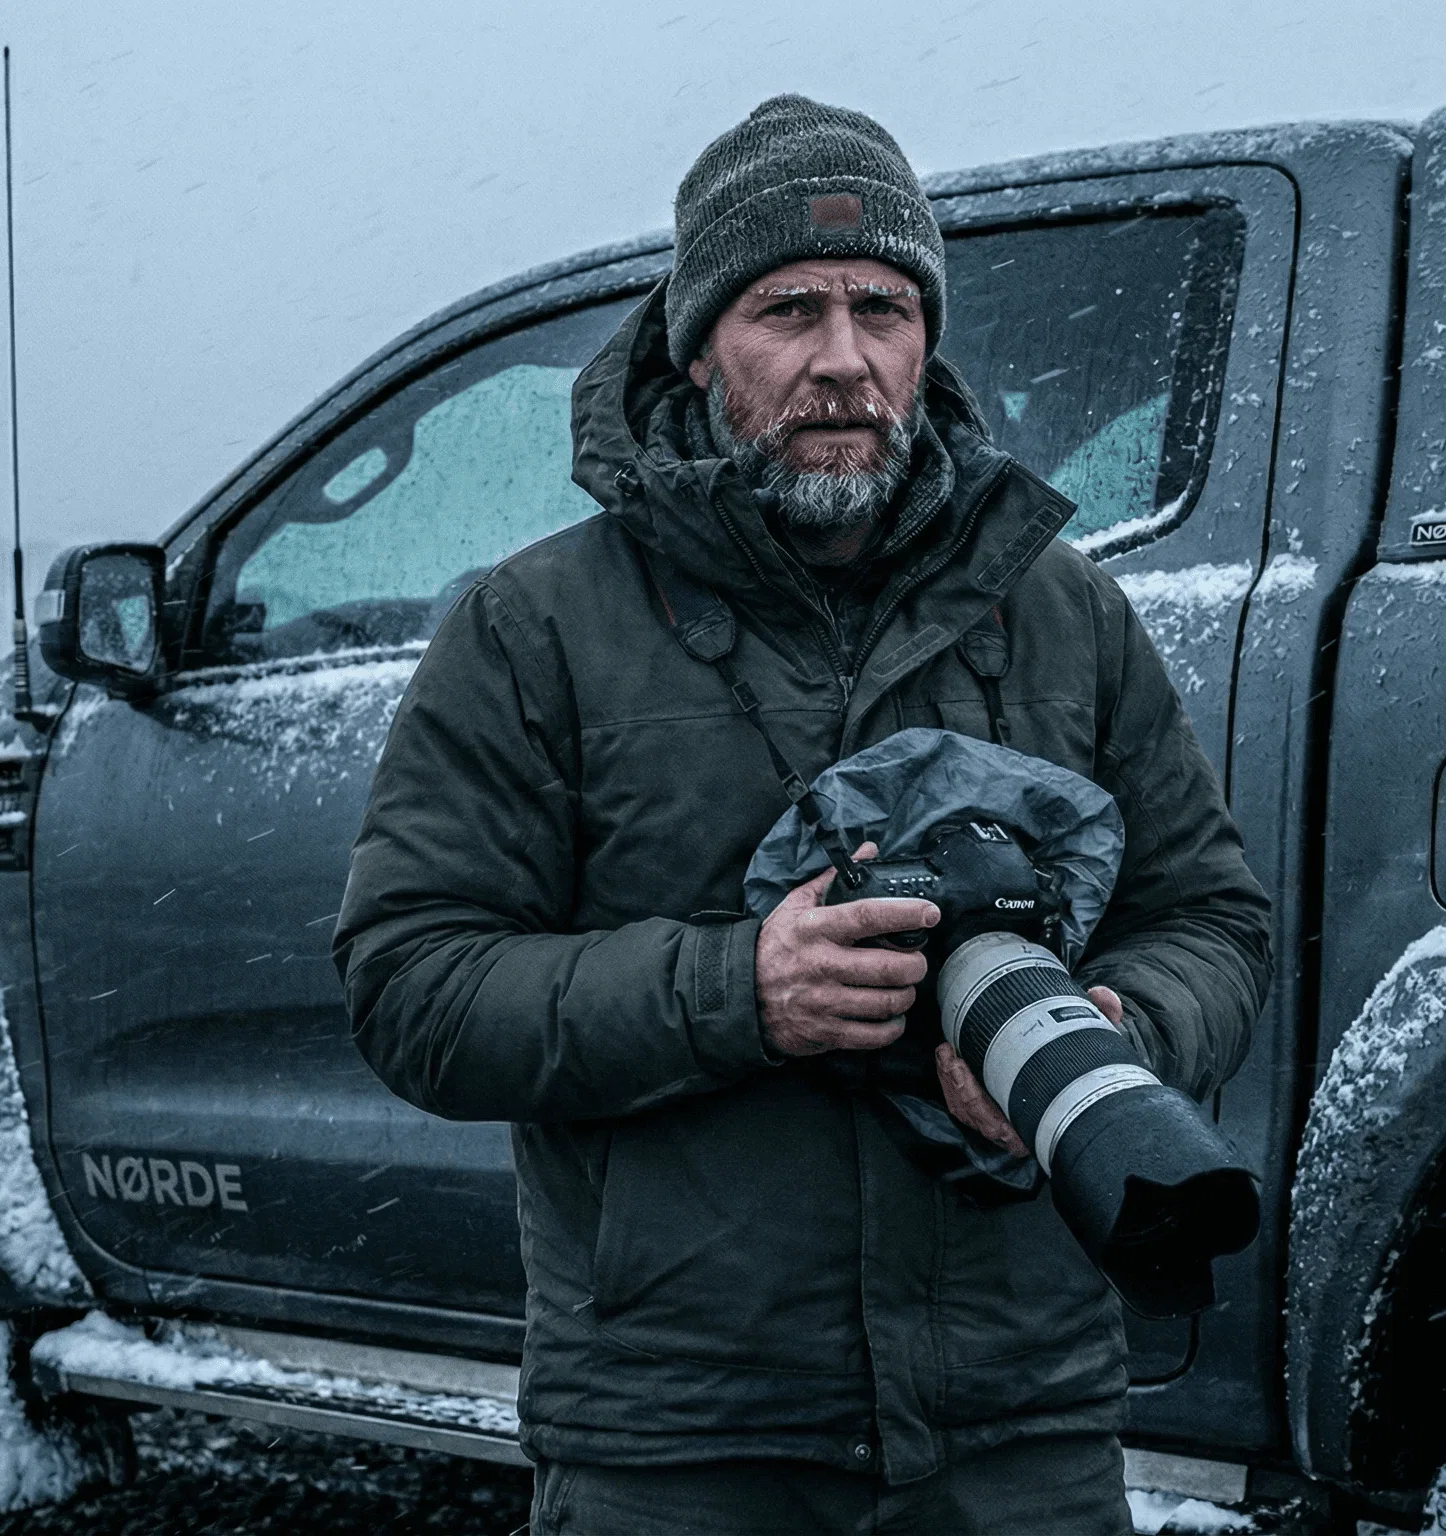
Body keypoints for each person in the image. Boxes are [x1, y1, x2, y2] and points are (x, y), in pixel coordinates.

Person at [334, 94, 1272, 1536]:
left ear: (926, 338)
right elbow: (414, 987)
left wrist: (1110, 1024)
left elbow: (1208, 919)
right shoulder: (537, 628)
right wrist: (738, 989)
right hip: (682, 1439)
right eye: (787, 311)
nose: (844, 362)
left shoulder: (1063, 611)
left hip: (1016, 1427)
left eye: (882, 310)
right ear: (698, 342)